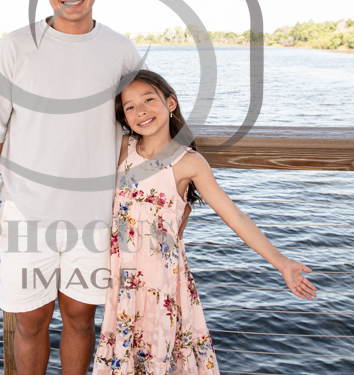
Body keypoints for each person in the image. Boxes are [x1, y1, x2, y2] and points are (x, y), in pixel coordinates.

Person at [0, 0, 144, 375]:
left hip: (95, 214)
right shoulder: (17, 46)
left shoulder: (121, 51)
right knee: (30, 321)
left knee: (80, 319)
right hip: (27, 212)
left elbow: (142, 129)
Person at [94, 70, 318, 374]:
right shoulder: (123, 148)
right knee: (125, 353)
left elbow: (234, 216)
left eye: (148, 100)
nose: (141, 111)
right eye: (130, 106)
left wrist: (282, 263)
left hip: (161, 279)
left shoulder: (188, 162)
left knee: (159, 351)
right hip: (122, 276)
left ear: (170, 103)